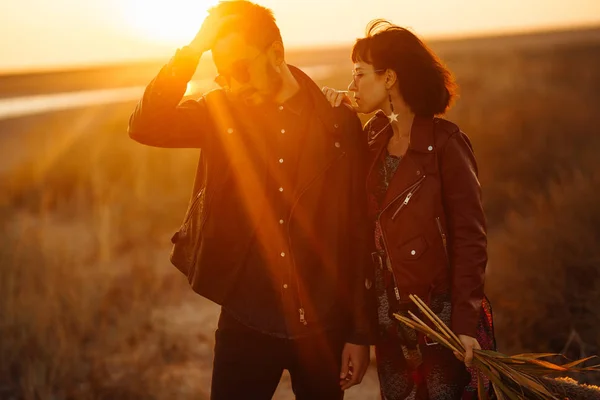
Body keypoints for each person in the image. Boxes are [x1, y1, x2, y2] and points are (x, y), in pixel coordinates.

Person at [128, 2, 376, 399]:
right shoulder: (221, 111)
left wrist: (359, 333)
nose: (233, 84)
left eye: (241, 69)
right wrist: (194, 49)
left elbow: (358, 232)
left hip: (323, 327)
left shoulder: (337, 122)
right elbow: (145, 125)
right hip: (245, 321)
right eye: (223, 73)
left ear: (276, 54)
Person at [322, 20, 496, 400]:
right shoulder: (373, 138)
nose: (352, 85)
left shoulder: (446, 143)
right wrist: (338, 121)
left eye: (359, 74)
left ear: (389, 79)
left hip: (440, 317)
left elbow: (470, 239)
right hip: (388, 316)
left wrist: (465, 324)